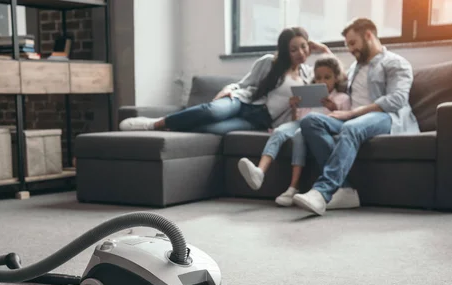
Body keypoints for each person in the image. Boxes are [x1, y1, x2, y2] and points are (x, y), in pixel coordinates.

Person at [292, 18, 420, 216]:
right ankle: (345, 190)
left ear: (369, 35)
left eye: (353, 43)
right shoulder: (354, 68)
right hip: (354, 118)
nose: (350, 49)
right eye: (347, 45)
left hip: (385, 117)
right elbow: (333, 72)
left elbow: (398, 99)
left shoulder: (395, 62)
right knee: (310, 122)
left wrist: (352, 113)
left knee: (350, 127)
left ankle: (321, 192)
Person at [118, 27, 331, 135]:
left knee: (214, 130)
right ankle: (154, 124)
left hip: (259, 120)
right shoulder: (269, 63)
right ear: (285, 50)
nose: (301, 53)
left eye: (304, 47)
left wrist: (323, 48)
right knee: (211, 112)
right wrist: (228, 90)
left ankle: (172, 128)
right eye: (294, 49)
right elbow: (244, 84)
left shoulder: (307, 75)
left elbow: (333, 70)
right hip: (242, 101)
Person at [237, 55, 351, 207]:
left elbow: (344, 121)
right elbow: (296, 119)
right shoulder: (309, 94)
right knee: (279, 131)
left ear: (336, 78)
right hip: (300, 122)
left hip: (318, 127)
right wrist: (294, 107)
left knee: (299, 135)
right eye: (318, 78)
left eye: (327, 77)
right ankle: (260, 172)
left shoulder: (342, 98)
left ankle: (293, 188)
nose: (322, 81)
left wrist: (333, 108)